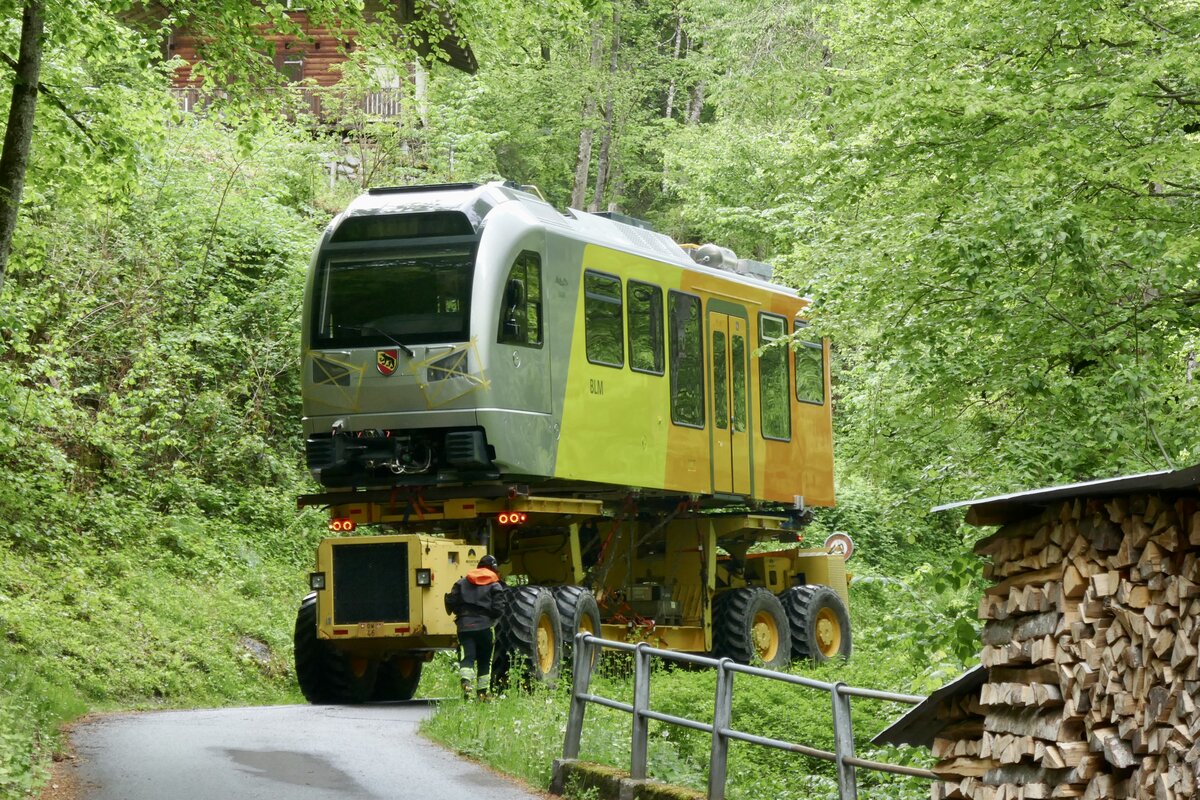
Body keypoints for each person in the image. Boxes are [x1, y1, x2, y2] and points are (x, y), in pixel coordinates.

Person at [444, 555, 505, 699]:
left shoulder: (462, 582)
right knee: (485, 660)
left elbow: (451, 602)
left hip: (465, 626)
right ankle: (482, 693)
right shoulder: (495, 585)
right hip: (485, 627)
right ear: (494, 569)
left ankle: (466, 683)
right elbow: (499, 609)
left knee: (467, 657)